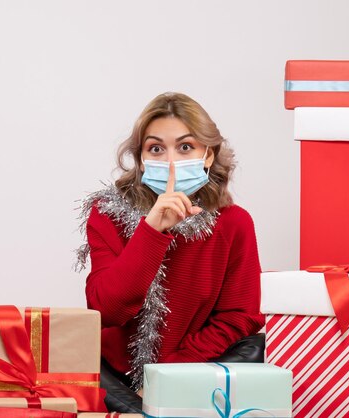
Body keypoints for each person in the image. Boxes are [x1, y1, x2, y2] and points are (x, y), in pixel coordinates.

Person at [75, 92, 265, 412]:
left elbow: (239, 317)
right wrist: (151, 230)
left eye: (185, 147)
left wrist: (167, 374)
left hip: (193, 368)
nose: (171, 161)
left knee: (256, 348)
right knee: (70, 357)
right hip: (114, 374)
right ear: (141, 159)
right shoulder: (106, 213)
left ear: (208, 156)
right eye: (156, 149)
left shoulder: (235, 223)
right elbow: (105, 309)